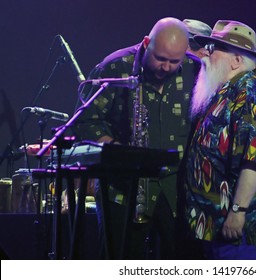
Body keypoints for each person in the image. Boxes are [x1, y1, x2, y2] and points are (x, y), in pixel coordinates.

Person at [71, 17, 200, 259]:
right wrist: (115, 150)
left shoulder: (196, 70)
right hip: (122, 186)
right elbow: (85, 120)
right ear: (146, 43)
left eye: (175, 61)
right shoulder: (115, 67)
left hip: (176, 187)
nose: (166, 67)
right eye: (160, 58)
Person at [181, 20, 256, 260]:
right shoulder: (226, 92)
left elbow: (253, 160)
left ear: (236, 60)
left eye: (214, 49)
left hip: (241, 234)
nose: (206, 55)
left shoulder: (249, 91)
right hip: (216, 229)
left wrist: (238, 211)